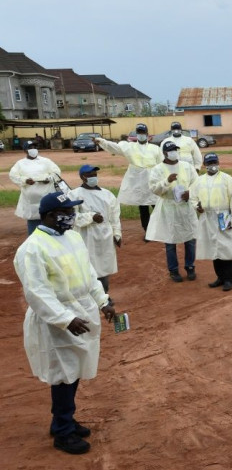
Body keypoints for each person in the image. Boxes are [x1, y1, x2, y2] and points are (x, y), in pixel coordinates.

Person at [13, 191, 115, 455]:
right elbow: (37, 292)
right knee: (63, 375)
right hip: (56, 320)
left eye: (72, 212)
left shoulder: (72, 237)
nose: (71, 217)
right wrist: (65, 319)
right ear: (48, 215)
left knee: (75, 370)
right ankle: (62, 431)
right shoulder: (32, 248)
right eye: (65, 213)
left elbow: (89, 274)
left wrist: (103, 302)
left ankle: (63, 419)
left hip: (81, 310)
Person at [145, 141, 199, 282]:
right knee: (170, 240)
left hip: (185, 207)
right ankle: (173, 270)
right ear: (164, 153)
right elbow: (154, 189)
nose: (174, 152)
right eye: (171, 150)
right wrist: (166, 181)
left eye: (176, 149)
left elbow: (196, 183)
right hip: (168, 207)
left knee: (190, 239)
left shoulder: (187, 167)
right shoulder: (157, 169)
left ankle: (190, 266)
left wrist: (190, 193)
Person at [95, 124, 162, 236]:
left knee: (158, 206)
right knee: (143, 208)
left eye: (143, 133)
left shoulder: (155, 148)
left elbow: (161, 164)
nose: (141, 135)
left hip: (153, 181)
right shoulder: (129, 147)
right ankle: (148, 232)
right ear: (137, 134)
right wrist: (102, 142)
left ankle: (159, 230)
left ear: (147, 134)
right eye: (139, 133)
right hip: (138, 183)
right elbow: (115, 147)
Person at [190, 153, 232, 291]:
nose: (212, 165)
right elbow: (192, 197)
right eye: (209, 163)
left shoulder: (227, 179)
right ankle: (219, 277)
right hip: (207, 217)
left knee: (226, 247)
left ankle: (228, 279)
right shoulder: (199, 181)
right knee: (214, 247)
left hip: (223, 215)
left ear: (218, 162)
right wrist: (197, 207)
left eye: (214, 162)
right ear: (204, 165)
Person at [68, 165, 121, 295]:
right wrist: (91, 217)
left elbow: (115, 216)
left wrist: (117, 233)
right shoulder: (74, 195)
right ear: (82, 177)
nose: (93, 177)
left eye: (94, 175)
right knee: (88, 265)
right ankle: (89, 294)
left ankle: (104, 294)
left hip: (105, 235)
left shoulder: (107, 194)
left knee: (103, 266)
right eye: (90, 175)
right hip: (86, 235)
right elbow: (71, 217)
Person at [9, 141, 62, 235]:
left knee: (50, 221)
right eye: (30, 147)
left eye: (35, 147)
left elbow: (56, 172)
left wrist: (49, 178)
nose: (33, 149)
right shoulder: (20, 163)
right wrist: (25, 180)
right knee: (34, 228)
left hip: (47, 196)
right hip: (31, 201)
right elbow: (13, 176)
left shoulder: (45, 161)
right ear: (25, 150)